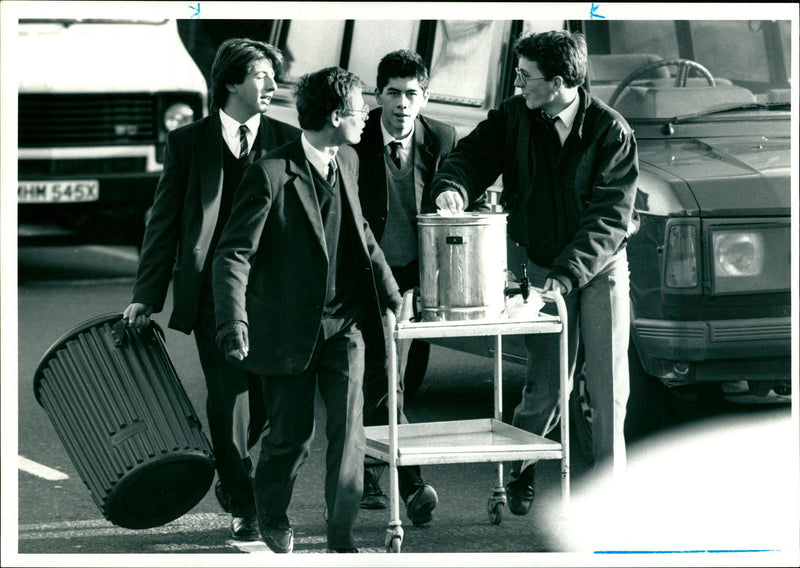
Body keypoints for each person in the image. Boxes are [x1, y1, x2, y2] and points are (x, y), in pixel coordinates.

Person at [431, 30, 638, 515]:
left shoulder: (612, 131)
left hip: (599, 269)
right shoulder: (513, 116)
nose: (518, 82)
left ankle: (610, 498)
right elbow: (470, 156)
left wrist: (564, 278)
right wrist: (452, 185)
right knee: (545, 385)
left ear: (561, 82)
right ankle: (520, 472)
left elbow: (609, 218)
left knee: (608, 390)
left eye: (526, 76)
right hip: (544, 266)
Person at [212, 66, 402, 554]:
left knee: (349, 435)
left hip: (346, 325)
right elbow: (234, 253)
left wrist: (394, 294)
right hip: (286, 329)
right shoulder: (271, 172)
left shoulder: (352, 162)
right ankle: (271, 511)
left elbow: (361, 234)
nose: (367, 119)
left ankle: (341, 535)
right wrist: (234, 320)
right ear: (336, 115)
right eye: (360, 110)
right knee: (291, 438)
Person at [122, 38, 299, 541]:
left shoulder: (288, 141)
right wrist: (146, 294)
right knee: (228, 402)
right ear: (230, 83)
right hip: (212, 298)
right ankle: (246, 503)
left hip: (277, 297)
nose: (271, 85)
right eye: (261, 76)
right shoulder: (189, 143)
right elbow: (164, 225)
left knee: (267, 404)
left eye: (273, 76)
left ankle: (237, 468)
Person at [353, 49, 457, 524]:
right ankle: (411, 486)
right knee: (384, 376)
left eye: (411, 94)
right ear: (379, 95)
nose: (401, 103)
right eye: (392, 93)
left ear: (425, 96)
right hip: (367, 277)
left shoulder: (442, 137)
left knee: (395, 382)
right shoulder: (356, 137)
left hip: (419, 280)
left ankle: (370, 473)